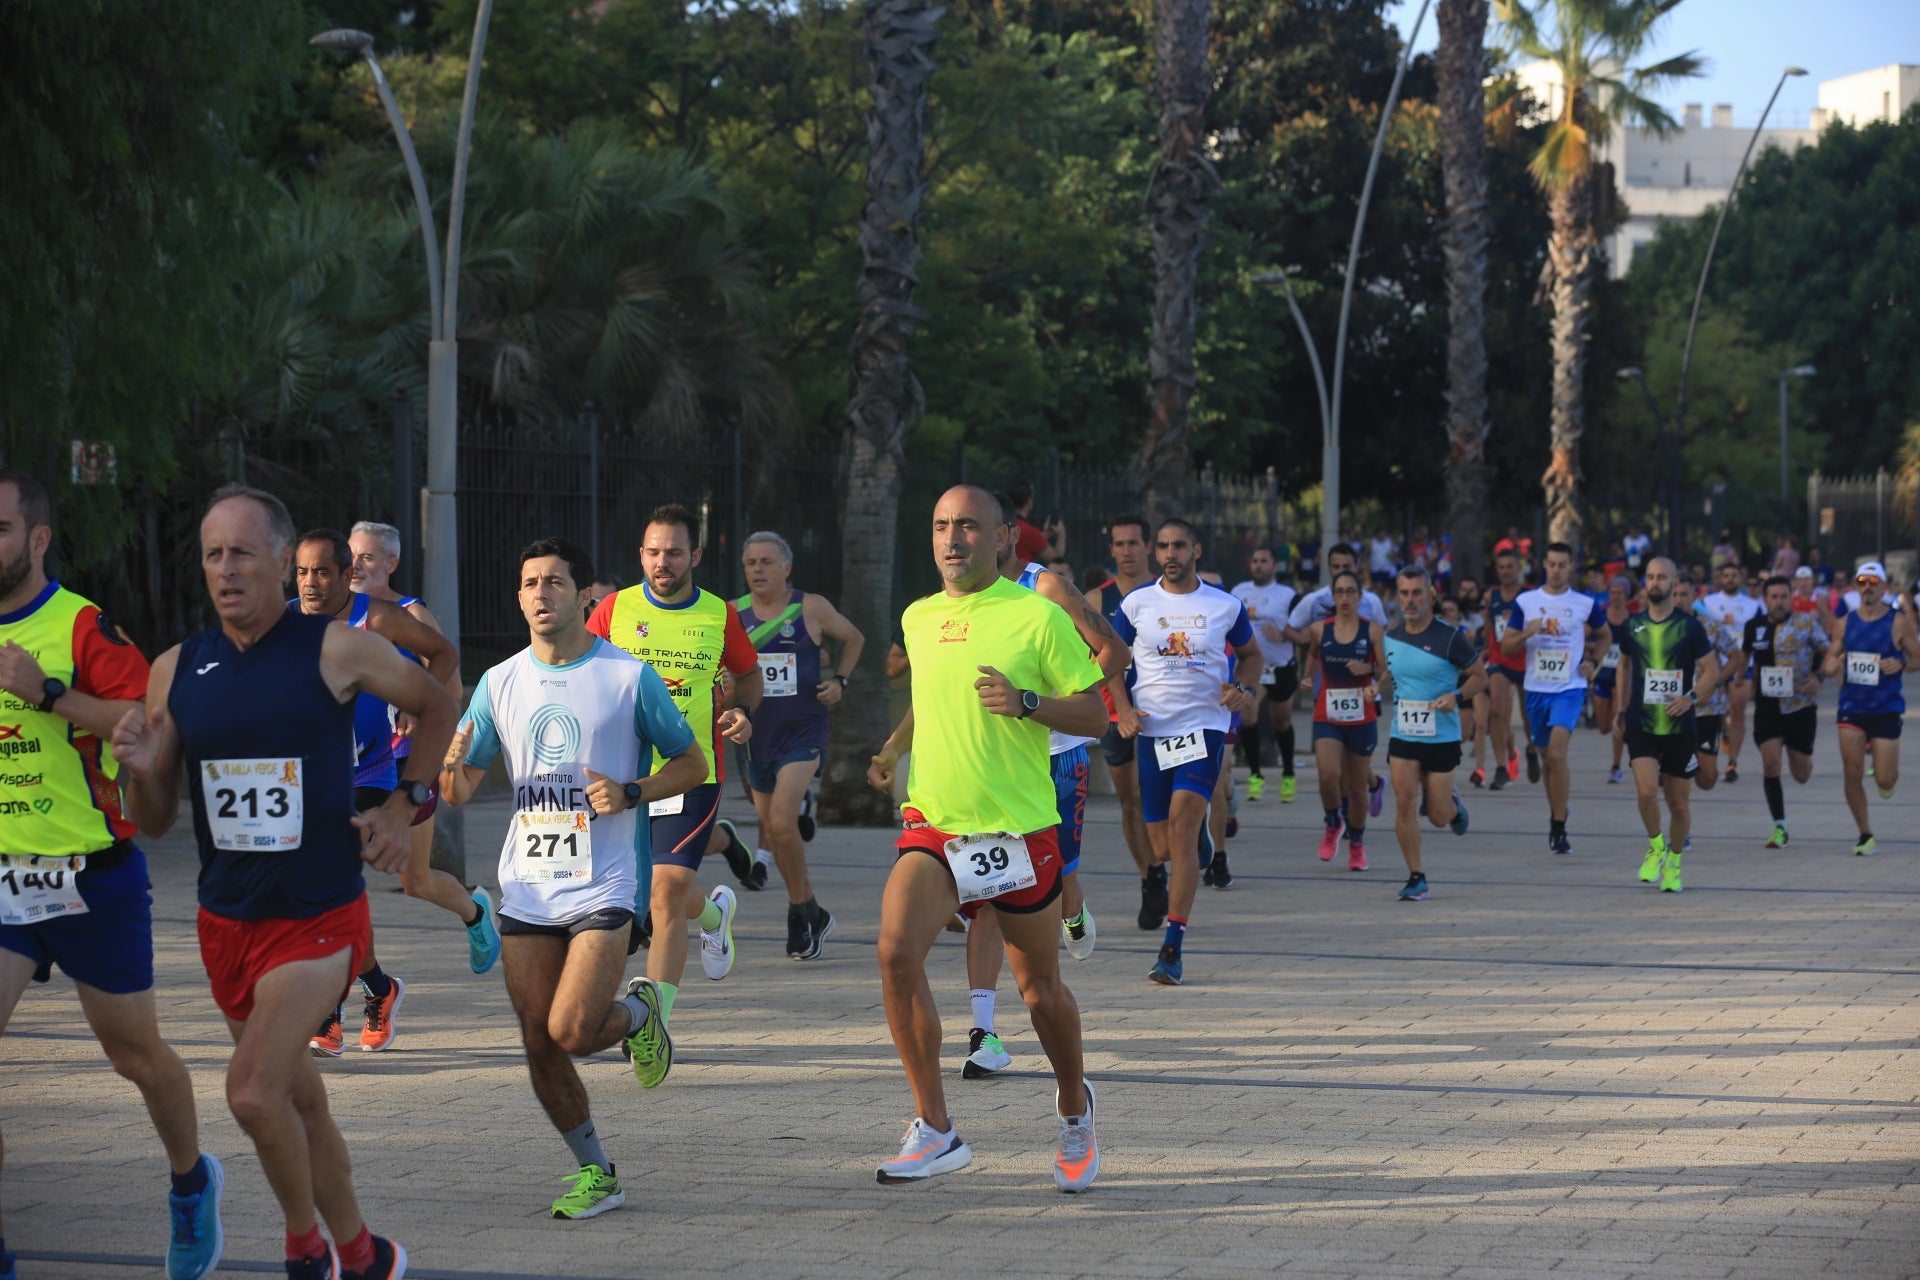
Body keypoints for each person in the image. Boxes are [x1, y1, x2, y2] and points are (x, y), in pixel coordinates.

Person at [113, 483, 457, 1280]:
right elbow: (157, 817)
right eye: (211, 555)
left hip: (321, 915)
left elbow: (436, 704)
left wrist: (407, 805)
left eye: (240, 553)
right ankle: (365, 1256)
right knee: (298, 1101)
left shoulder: (333, 648)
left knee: (252, 1095)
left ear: (278, 559)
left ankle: (305, 1252)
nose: (225, 570)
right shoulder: (177, 669)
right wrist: (138, 772)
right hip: (226, 920)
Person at [438, 538, 705, 1220]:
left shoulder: (626, 676)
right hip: (527, 883)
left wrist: (633, 790)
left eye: (553, 582)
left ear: (582, 596)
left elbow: (692, 762)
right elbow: (462, 788)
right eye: (529, 583)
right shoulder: (499, 682)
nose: (539, 594)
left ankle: (641, 1012)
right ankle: (598, 1174)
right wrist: (448, 767)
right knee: (537, 1039)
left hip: (604, 884)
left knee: (572, 1027)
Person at [0, 472, 224, 1280]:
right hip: (3, 882)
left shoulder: (80, 625)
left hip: (92, 877)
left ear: (37, 538)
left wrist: (48, 692)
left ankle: (191, 1182)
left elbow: (146, 729)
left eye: (0, 528)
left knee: (137, 1057)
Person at [863, 485, 1106, 1191]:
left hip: (1020, 830)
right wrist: (891, 747)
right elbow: (933, 696)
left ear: (1002, 539)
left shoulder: (1037, 617)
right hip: (936, 824)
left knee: (1039, 993)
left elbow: (1096, 714)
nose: (952, 539)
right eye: (941, 525)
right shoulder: (918, 616)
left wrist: (1028, 703)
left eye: (969, 526)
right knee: (894, 951)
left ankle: (1073, 1108)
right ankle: (936, 1127)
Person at [294, 528, 493, 1057]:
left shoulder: (377, 617)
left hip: (372, 777)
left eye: (321, 572)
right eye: (302, 572)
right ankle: (379, 988)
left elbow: (444, 655)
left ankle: (328, 1013)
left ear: (345, 575)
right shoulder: (284, 621)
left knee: (339, 887)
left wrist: (417, 702)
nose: (311, 584)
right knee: (319, 897)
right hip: (308, 779)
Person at [586, 505, 760, 1069]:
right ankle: (712, 917)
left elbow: (749, 674)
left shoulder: (719, 614)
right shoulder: (613, 610)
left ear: (696, 557)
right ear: (641, 555)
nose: (664, 562)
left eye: (676, 552)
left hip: (692, 773)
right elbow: (577, 671)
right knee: (648, 893)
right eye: (654, 551)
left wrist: (740, 711)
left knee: (662, 895)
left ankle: (650, 1027)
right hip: (621, 776)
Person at [1112, 519, 1259, 986]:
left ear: (1196, 549)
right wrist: (1123, 709)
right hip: (1153, 732)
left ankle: (1172, 947)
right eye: (1163, 546)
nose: (1171, 553)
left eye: (1179, 545)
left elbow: (1252, 655)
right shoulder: (1136, 604)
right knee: (1161, 847)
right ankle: (1198, 843)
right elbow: (1108, 659)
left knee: (1180, 826)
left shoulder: (1224, 605)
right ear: (1156, 554)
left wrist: (1243, 687)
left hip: (1203, 728)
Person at [347, 522, 477, 978]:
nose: (355, 565)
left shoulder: (407, 613)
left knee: (415, 881)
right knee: (336, 872)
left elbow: (453, 683)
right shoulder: (335, 613)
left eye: (367, 557)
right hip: (357, 768)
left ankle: (475, 912)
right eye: (352, 555)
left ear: (391, 563)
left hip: (407, 765)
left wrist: (417, 710)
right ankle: (365, 985)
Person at [735, 532, 864, 959]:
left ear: (786, 567)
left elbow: (855, 638)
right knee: (775, 829)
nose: (758, 570)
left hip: (804, 734)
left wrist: (839, 681)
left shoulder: (809, 607)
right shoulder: (732, 615)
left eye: (767, 562)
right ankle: (811, 909)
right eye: (751, 562)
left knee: (781, 820)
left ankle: (796, 913)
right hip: (756, 738)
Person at [1612, 558, 1719, 893]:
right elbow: (1624, 663)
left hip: (1678, 726)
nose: (1654, 583)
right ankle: (1655, 845)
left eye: (1661, 577)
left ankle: (1674, 860)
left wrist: (1691, 697)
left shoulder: (1690, 627)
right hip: (1642, 722)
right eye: (1650, 577)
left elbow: (1712, 672)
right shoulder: (1632, 626)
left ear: (1674, 584)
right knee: (1645, 791)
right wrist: (1620, 706)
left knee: (1678, 804)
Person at [1378, 566, 1484, 902]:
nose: (1410, 600)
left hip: (1442, 736)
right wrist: (1373, 687)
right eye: (1404, 593)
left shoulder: (1449, 637)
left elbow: (1479, 676)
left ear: (1431, 595)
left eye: (1417, 593)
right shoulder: (1391, 636)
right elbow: (1393, 673)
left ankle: (1452, 805)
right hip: (1403, 733)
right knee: (1405, 802)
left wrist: (1457, 697)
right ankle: (1416, 876)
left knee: (1438, 817)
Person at [1500, 542, 1611, 856]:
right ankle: (1557, 811)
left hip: (1570, 687)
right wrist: (1526, 634)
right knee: (1548, 758)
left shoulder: (1585, 603)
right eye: (1551, 564)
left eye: (1562, 564)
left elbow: (1605, 636)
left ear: (1571, 566)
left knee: (1558, 755)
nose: (1556, 570)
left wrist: (1593, 662)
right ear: (1544, 565)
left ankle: (1559, 827)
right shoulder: (1526, 602)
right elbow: (1507, 647)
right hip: (1536, 689)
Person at [1089, 515, 1164, 930]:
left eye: (1134, 543)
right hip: (1116, 714)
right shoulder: (1095, 600)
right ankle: (1150, 877)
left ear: (1148, 546)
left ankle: (1184, 848)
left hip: (1162, 712)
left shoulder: (1165, 594)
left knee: (1168, 797)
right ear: (1112, 550)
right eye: (1119, 544)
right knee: (1131, 801)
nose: (1127, 551)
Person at [1821, 561, 1920, 857]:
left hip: (1886, 708)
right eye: (1862, 581)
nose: (1867, 587)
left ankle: (1886, 780)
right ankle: (1865, 833)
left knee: (1885, 780)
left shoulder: (1898, 622)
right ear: (1855, 585)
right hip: (1851, 707)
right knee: (1852, 771)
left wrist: (1900, 663)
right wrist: (1831, 665)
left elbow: (1918, 658)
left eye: (1873, 582)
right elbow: (1828, 661)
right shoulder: (1844, 622)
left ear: (1883, 587)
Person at [1727, 576, 1829, 848]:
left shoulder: (1805, 623)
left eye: (1784, 596)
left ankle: (1804, 759)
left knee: (1801, 775)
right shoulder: (1754, 627)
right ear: (1765, 600)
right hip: (1768, 707)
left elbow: (1827, 650)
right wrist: (1740, 675)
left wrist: (1819, 678)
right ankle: (1780, 827)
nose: (1779, 602)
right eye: (1773, 597)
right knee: (1771, 762)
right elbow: (1745, 653)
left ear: (1790, 597)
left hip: (1800, 707)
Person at [1305, 571, 1387, 871]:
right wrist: (1306, 677)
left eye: (1350, 592)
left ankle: (1357, 843)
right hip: (1328, 712)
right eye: (1339, 592)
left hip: (1361, 716)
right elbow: (1314, 656)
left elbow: (1385, 672)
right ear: (1331, 595)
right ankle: (1332, 822)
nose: (1344, 598)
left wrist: (1370, 671)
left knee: (1356, 788)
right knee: (1327, 775)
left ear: (1360, 597)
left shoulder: (1373, 631)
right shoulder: (1318, 629)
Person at [1230, 547, 1300, 804]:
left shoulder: (1287, 595)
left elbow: (1300, 629)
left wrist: (1282, 635)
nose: (1258, 565)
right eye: (1255, 561)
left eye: (1264, 561)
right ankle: (1256, 775)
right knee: (1248, 718)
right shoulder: (1239, 592)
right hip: (1252, 669)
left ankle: (1288, 773)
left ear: (1274, 566)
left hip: (1280, 667)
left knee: (1281, 722)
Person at [1701, 562, 1763, 783]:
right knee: (1715, 714)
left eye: (1733, 575)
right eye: (1725, 575)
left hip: (1741, 666)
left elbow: (1760, 635)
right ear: (1719, 577)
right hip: (1713, 666)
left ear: (1741, 577)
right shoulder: (1707, 603)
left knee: (1737, 713)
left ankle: (1732, 764)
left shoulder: (1754, 605)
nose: (1729, 579)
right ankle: (1723, 734)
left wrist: (1756, 666)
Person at [1683, 575, 1744, 793]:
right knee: (1672, 777)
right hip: (1671, 708)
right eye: (1674, 594)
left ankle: (1709, 757)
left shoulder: (1711, 626)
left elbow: (1736, 657)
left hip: (1707, 709)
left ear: (1694, 597)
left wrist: (1714, 682)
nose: (1679, 599)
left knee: (1706, 780)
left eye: (1684, 594)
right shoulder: (1659, 626)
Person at [1482, 547, 1532, 790]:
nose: (1505, 571)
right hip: (1499, 659)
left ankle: (1531, 749)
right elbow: (1488, 626)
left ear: (1518, 568)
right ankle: (1501, 767)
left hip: (1525, 660)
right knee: (1495, 710)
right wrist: (1483, 649)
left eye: (1510, 566)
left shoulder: (1529, 595)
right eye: (1501, 567)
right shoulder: (1491, 596)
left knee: (1527, 716)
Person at [1593, 576, 1634, 785]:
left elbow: (1645, 640)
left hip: (1623, 675)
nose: (1616, 597)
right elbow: (1585, 638)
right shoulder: (1600, 617)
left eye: (1620, 593)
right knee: (1603, 726)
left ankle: (1616, 765)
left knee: (1619, 716)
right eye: (1613, 593)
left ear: (1627, 596)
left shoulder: (1635, 621)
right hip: (1602, 674)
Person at [1006, 479, 1064, 567]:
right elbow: (1058, 562)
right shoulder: (1029, 532)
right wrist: (1062, 534)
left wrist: (1045, 535)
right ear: (1029, 501)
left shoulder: (1002, 525)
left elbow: (1027, 540)